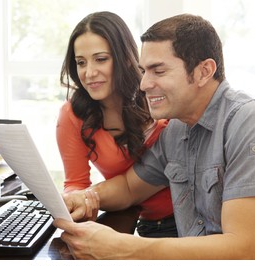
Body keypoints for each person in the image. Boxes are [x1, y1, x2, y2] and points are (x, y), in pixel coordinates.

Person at [54, 13, 255, 260]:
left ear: (204, 71)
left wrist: (123, 247)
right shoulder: (177, 130)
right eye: (144, 71)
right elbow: (129, 187)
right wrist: (85, 197)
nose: (143, 84)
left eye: (158, 71)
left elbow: (244, 252)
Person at [56, 11, 177, 237]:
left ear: (123, 57)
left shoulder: (156, 95)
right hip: (149, 223)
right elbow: (75, 184)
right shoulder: (73, 115)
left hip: (197, 217)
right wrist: (77, 200)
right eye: (81, 62)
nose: (89, 73)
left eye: (101, 59)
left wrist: (89, 196)